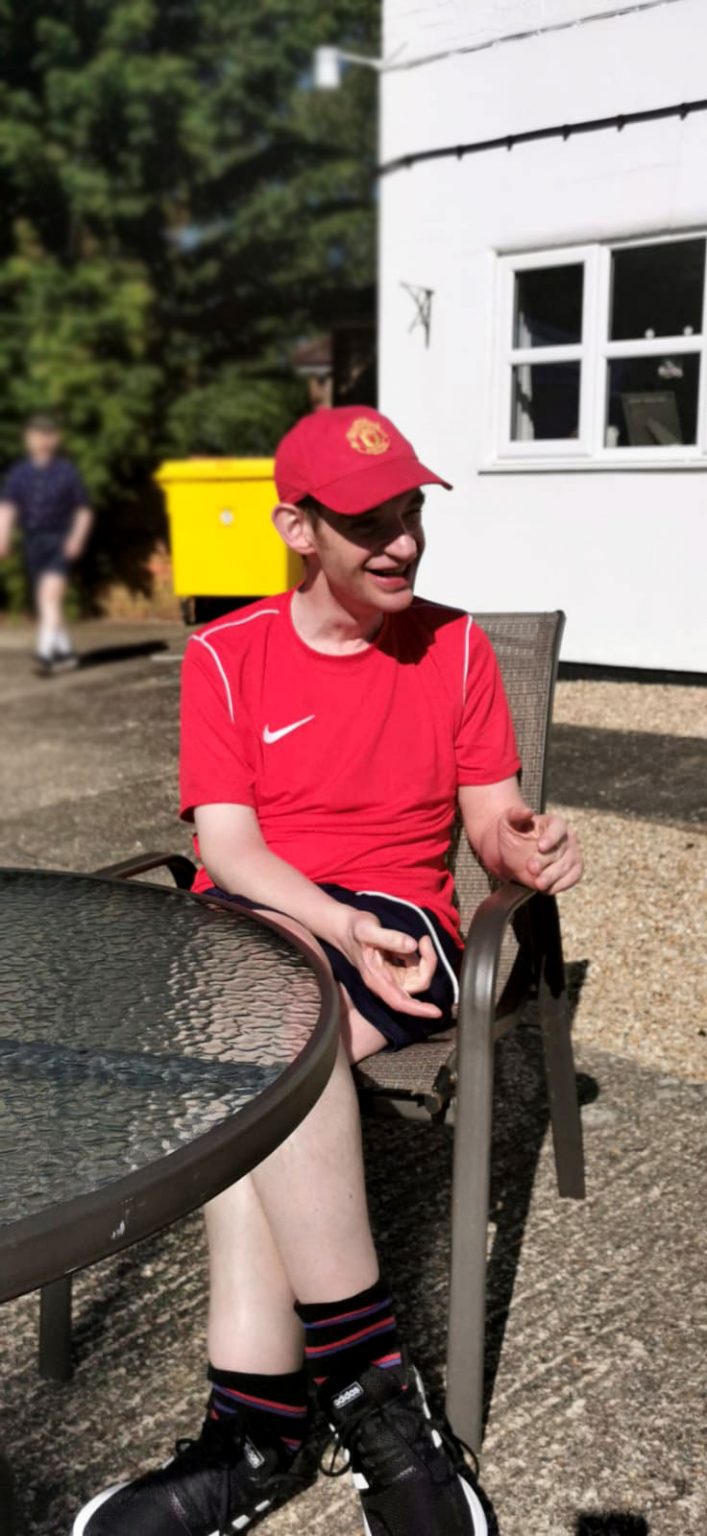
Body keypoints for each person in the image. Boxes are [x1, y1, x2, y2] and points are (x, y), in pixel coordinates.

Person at [74, 406, 583, 1536]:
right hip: (267, 925)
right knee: (262, 1030)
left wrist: (524, 848)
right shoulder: (225, 656)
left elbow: (490, 820)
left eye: (408, 513)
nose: (401, 542)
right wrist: (325, 926)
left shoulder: (456, 650)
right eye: (367, 522)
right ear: (295, 529)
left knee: (257, 1038)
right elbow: (230, 847)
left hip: (396, 926)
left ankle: (256, 1435)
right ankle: (364, 1400)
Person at [0, 414, 93, 674]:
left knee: (48, 596)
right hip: (32, 541)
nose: (40, 440)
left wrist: (76, 538)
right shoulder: (20, 473)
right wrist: (2, 537)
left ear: (55, 439)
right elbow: (7, 507)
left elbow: (83, 510)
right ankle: (65, 653)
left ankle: (45, 653)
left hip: (60, 539)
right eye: (35, 435)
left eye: (46, 435)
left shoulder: (66, 471)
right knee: (49, 601)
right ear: (28, 439)